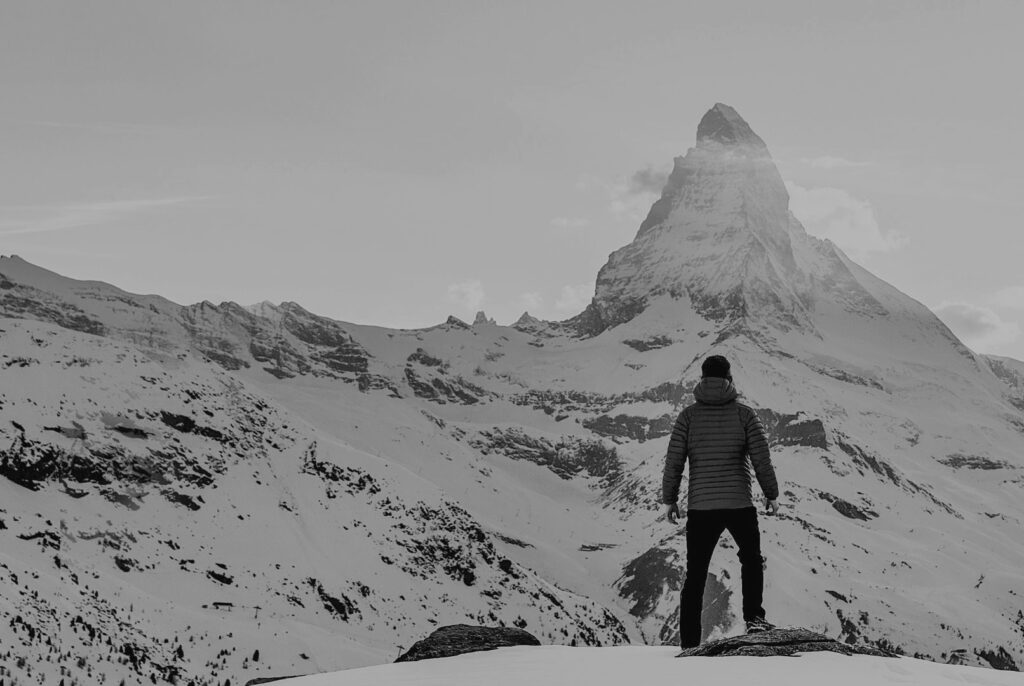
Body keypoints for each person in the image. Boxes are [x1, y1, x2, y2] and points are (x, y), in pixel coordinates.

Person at [662, 354, 780, 649]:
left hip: (701, 507)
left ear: (701, 379)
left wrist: (670, 499)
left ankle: (689, 642)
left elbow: (674, 461)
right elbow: (761, 458)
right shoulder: (744, 414)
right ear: (729, 379)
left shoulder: (687, 416)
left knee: (696, 574)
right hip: (739, 503)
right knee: (751, 560)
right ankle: (754, 621)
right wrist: (771, 493)